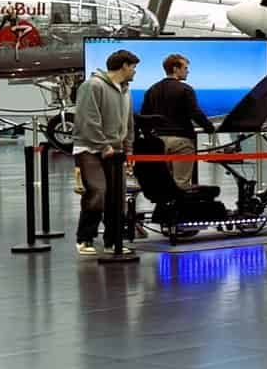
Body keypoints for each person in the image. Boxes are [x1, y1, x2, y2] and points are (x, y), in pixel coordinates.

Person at [72, 49, 138, 255]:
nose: (134, 72)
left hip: (115, 151)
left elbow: (128, 123)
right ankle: (85, 239)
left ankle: (113, 241)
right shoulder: (92, 85)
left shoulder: (126, 90)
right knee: (98, 192)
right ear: (124, 66)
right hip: (89, 148)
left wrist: (128, 151)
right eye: (133, 67)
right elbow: (88, 119)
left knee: (117, 197)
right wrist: (103, 146)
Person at [139, 53, 215, 188]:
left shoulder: (152, 90)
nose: (188, 71)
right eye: (185, 68)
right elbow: (195, 113)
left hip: (159, 142)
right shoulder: (185, 89)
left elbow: (144, 117)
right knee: (181, 184)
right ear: (175, 69)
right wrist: (209, 128)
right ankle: (181, 209)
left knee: (164, 186)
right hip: (181, 142)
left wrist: (149, 137)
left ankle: (166, 209)